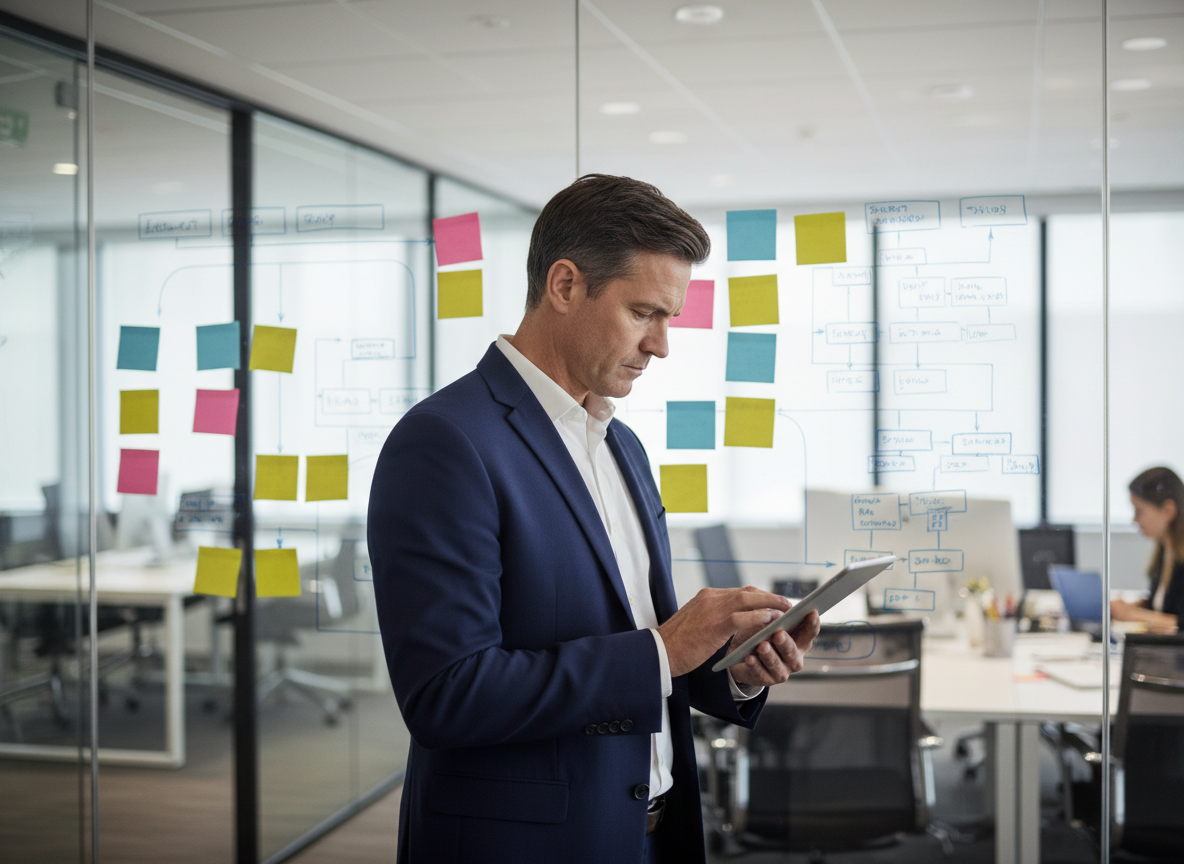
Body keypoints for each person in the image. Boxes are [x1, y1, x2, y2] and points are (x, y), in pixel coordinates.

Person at [367, 174, 820, 864]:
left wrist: (735, 669)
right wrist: (665, 649)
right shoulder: (445, 442)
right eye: (645, 313)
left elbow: (637, 644)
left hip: (649, 831)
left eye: (669, 317)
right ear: (566, 286)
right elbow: (446, 695)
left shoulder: (623, 446)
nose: (662, 344)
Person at [1110, 466, 1184, 634]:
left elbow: (1180, 624)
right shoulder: (1165, 552)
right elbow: (1161, 606)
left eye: (1139, 511)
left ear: (1168, 510)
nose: (1134, 520)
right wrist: (1133, 606)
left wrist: (1131, 614)